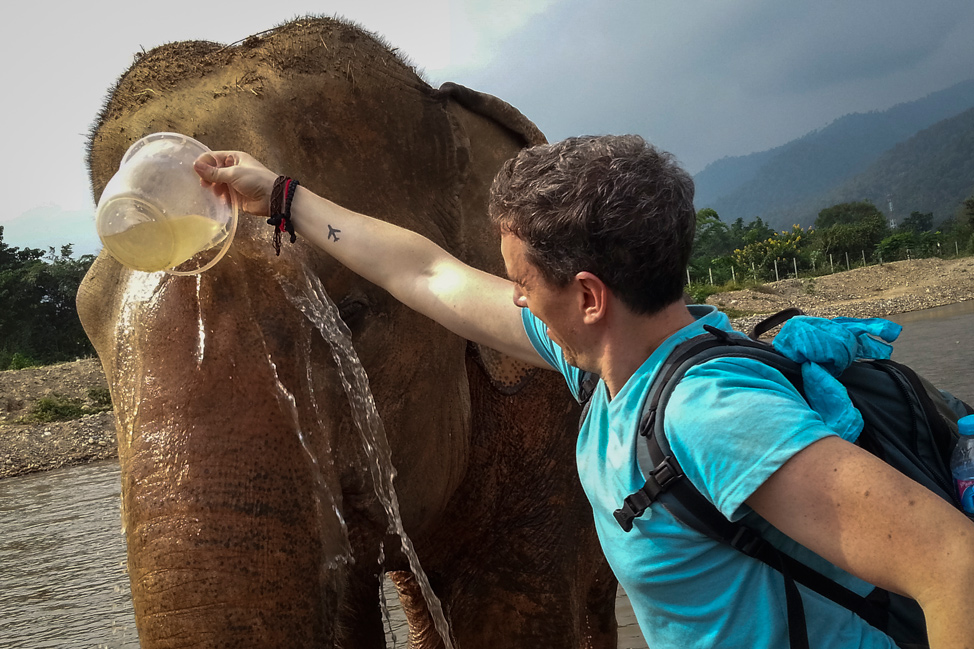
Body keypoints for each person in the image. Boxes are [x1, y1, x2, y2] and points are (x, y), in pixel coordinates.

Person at [194, 135, 974, 649]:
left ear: (591, 295)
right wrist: (282, 196)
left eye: (523, 280)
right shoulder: (612, 362)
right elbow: (424, 272)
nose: (516, 298)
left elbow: (953, 563)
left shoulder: (710, 414)